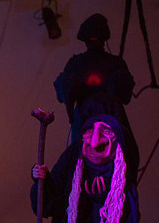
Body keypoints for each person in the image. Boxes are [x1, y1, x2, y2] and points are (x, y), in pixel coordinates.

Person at [54, 13, 135, 143]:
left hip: (110, 121)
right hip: (87, 121)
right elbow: (64, 91)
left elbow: (125, 96)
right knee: (78, 156)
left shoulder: (113, 63)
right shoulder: (78, 63)